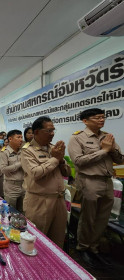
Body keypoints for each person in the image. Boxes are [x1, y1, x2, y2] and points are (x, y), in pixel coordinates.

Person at [68, 108, 124, 267]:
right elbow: (78, 161)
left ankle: (94, 247)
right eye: (97, 117)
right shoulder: (77, 138)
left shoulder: (107, 137)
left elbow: (120, 160)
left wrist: (111, 149)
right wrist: (104, 151)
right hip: (89, 180)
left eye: (103, 117)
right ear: (85, 121)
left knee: (102, 217)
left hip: (107, 181)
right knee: (89, 217)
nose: (101, 120)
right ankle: (83, 248)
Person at [21, 116, 70, 248]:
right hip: (39, 201)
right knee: (37, 241)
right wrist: (55, 159)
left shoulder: (53, 148)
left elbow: (67, 173)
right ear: (36, 132)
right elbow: (36, 173)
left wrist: (60, 160)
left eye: (53, 130)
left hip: (59, 200)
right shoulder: (27, 151)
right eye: (49, 131)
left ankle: (56, 267)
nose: (52, 133)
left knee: (58, 240)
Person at [0, 130, 25, 212]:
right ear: (10, 139)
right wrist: (20, 164)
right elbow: (3, 169)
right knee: (11, 212)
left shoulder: (24, 151)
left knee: (23, 211)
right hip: (11, 186)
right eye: (18, 137)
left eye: (21, 137)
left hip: (24, 185)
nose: (21, 140)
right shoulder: (4, 153)